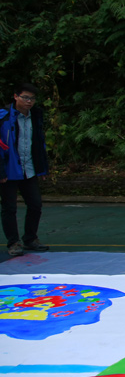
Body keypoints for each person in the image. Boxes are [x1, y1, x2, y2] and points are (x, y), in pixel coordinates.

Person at [1, 83, 50, 257]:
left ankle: (30, 238)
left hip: (28, 168)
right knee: (9, 207)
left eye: (32, 98)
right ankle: (13, 242)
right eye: (25, 98)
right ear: (16, 96)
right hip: (9, 169)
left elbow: (38, 142)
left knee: (35, 204)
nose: (29, 102)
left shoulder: (36, 116)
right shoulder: (4, 116)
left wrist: (42, 167)